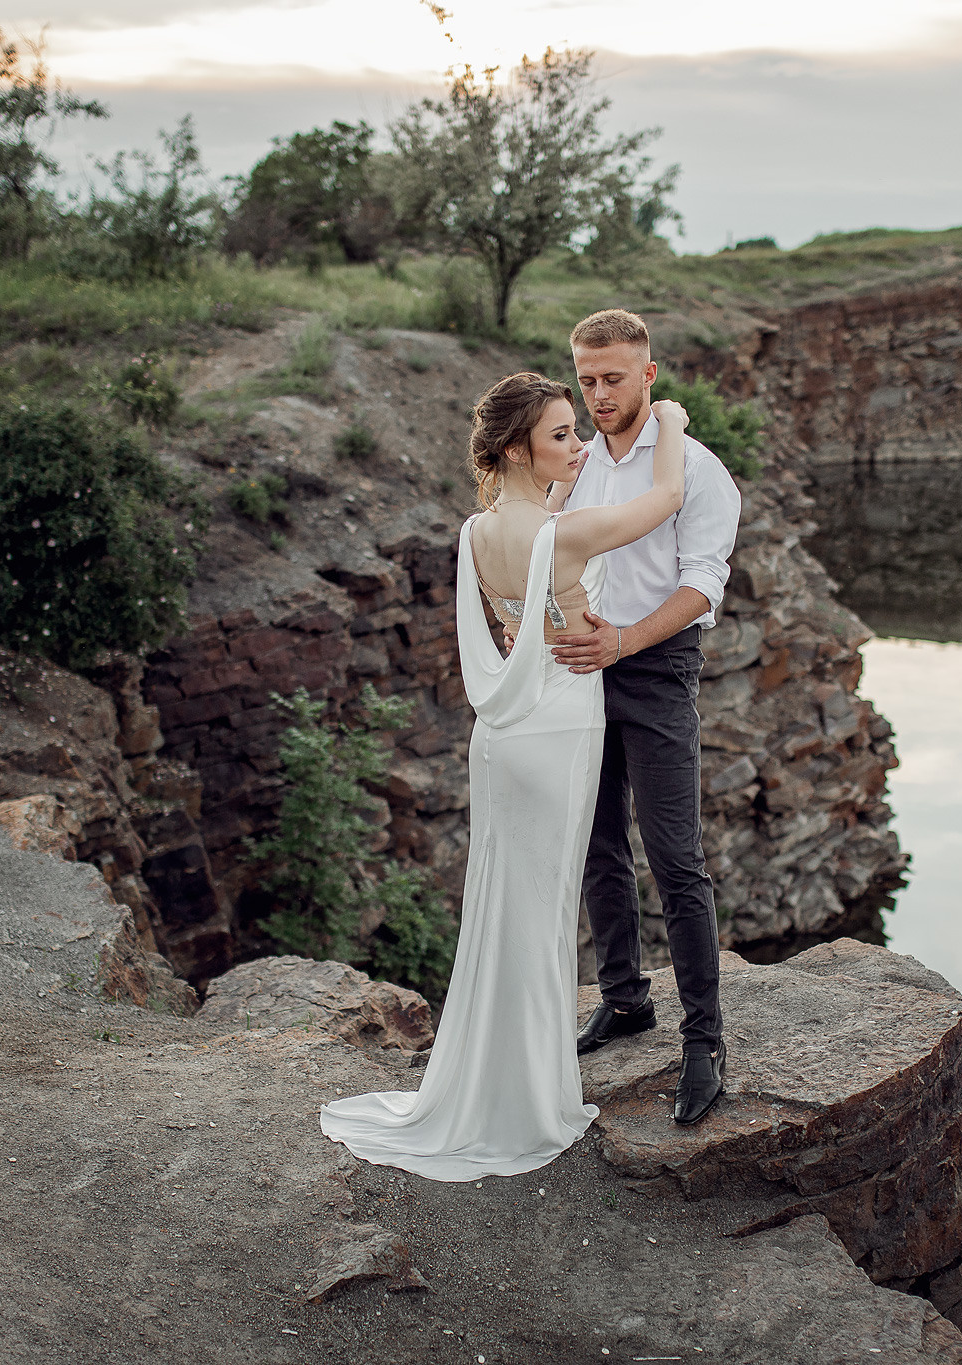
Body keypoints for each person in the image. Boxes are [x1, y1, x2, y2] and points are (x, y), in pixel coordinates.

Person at [318, 374, 690, 1181]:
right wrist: (670, 417)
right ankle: (523, 1102)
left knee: (502, 903)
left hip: (502, 733)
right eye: (562, 435)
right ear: (520, 448)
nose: (579, 445)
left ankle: (490, 1084)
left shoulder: (478, 531)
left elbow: (523, 607)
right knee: (543, 906)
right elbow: (665, 497)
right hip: (557, 726)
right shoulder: (569, 533)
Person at [552, 309, 742, 1128]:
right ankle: (626, 999)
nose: (598, 394)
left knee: (674, 857)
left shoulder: (698, 471)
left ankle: (706, 1041)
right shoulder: (578, 466)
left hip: (658, 670)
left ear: (649, 375)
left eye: (613, 379)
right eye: (587, 380)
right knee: (595, 845)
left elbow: (703, 586)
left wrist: (627, 638)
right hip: (581, 671)